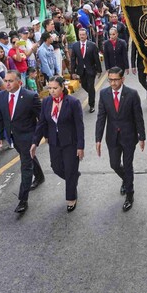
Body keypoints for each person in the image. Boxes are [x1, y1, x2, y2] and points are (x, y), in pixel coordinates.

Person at [95, 67, 146, 212]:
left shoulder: (132, 94)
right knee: (114, 164)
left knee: (128, 165)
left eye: (115, 80)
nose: (112, 83)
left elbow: (138, 117)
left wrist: (142, 137)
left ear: (122, 79)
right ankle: (126, 179)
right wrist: (97, 139)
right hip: (112, 137)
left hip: (129, 136)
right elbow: (101, 118)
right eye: (110, 80)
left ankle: (130, 194)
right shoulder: (104, 94)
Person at [0, 70, 45, 214]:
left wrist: (39, 137)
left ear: (19, 82)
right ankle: (40, 176)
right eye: (6, 81)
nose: (7, 84)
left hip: (28, 136)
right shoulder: (2, 96)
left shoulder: (30, 96)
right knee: (28, 157)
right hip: (13, 137)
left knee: (25, 166)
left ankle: (23, 200)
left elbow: (41, 118)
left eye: (11, 81)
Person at [32, 76, 84, 212]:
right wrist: (35, 142)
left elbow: (79, 126)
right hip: (54, 141)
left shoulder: (73, 102)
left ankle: (71, 197)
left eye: (55, 88)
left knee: (70, 169)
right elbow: (42, 122)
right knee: (56, 167)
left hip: (70, 142)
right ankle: (73, 178)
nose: (52, 91)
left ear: (62, 87)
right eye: (49, 88)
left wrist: (80, 146)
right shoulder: (46, 102)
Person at [70, 28, 102, 113]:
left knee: (91, 86)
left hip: (91, 70)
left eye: (83, 35)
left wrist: (99, 70)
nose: (81, 36)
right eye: (80, 35)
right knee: (84, 85)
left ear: (86, 35)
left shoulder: (92, 45)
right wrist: (72, 72)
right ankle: (92, 94)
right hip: (81, 70)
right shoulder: (75, 46)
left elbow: (96, 58)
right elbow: (73, 59)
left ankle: (91, 105)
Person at [131, 40, 147, 111]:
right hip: (140, 63)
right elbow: (133, 52)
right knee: (141, 80)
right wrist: (133, 66)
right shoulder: (135, 37)